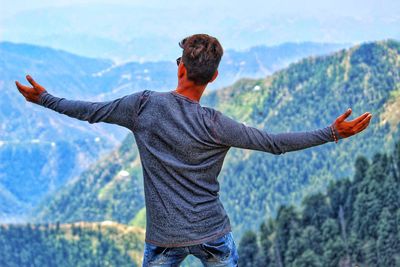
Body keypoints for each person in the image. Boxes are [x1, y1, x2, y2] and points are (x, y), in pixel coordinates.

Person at [15, 34, 372, 267]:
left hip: (163, 237)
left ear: (181, 67)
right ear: (214, 78)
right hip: (212, 232)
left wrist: (43, 98)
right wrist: (331, 133)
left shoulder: (142, 106)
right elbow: (274, 144)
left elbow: (91, 111)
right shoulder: (217, 125)